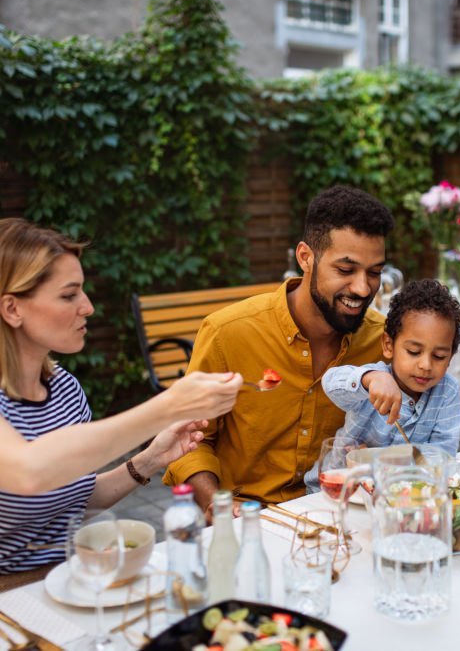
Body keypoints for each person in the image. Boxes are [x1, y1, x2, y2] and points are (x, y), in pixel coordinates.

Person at [0, 219, 241, 619]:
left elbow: (75, 495)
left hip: (62, 593)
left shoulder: (64, 389)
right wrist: (168, 406)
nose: (88, 307)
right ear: (11, 308)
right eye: (69, 295)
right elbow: (28, 472)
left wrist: (152, 457)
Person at [163, 185, 395, 518]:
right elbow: (189, 440)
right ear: (305, 258)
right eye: (345, 270)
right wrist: (216, 503)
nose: (362, 288)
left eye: (374, 273)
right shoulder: (228, 333)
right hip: (246, 522)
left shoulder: (382, 341)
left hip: (341, 517)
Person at [304, 278, 460, 491]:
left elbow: (442, 455)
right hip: (339, 488)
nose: (426, 365)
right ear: (389, 345)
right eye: (414, 352)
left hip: (402, 495)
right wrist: (369, 379)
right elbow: (331, 382)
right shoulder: (374, 379)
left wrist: (382, 461)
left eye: (439, 356)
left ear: (451, 356)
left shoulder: (447, 391)